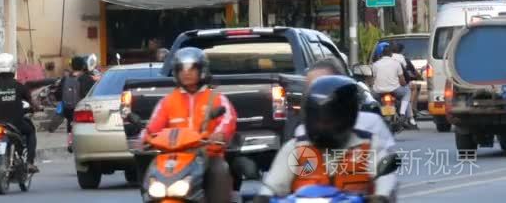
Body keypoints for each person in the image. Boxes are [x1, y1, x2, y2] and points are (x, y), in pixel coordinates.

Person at [256, 76, 397, 203]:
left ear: (348, 116)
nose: (322, 125)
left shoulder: (368, 145)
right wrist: (263, 198)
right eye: (316, 119)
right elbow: (273, 185)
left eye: (329, 120)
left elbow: (386, 181)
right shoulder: (297, 148)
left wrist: (381, 197)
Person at [141, 47, 237, 203]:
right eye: (182, 69)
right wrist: (146, 136)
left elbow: (228, 119)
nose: (186, 73)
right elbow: (153, 126)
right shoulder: (167, 101)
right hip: (173, 159)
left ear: (202, 70)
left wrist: (219, 134)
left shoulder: (216, 98)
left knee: (220, 170)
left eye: (192, 68)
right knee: (151, 174)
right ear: (176, 72)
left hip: (207, 156)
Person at [0, 53, 41, 173]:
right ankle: (30, 162)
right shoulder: (19, 86)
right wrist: (37, 107)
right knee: (31, 131)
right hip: (15, 124)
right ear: (12, 68)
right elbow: (32, 102)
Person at [372, 45, 414, 129]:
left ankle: (376, 115)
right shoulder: (396, 63)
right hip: (394, 90)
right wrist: (404, 84)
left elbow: (373, 79)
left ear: (381, 55)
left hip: (378, 92)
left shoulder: (375, 64)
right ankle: (402, 113)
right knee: (407, 91)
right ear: (391, 54)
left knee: (371, 98)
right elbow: (402, 80)